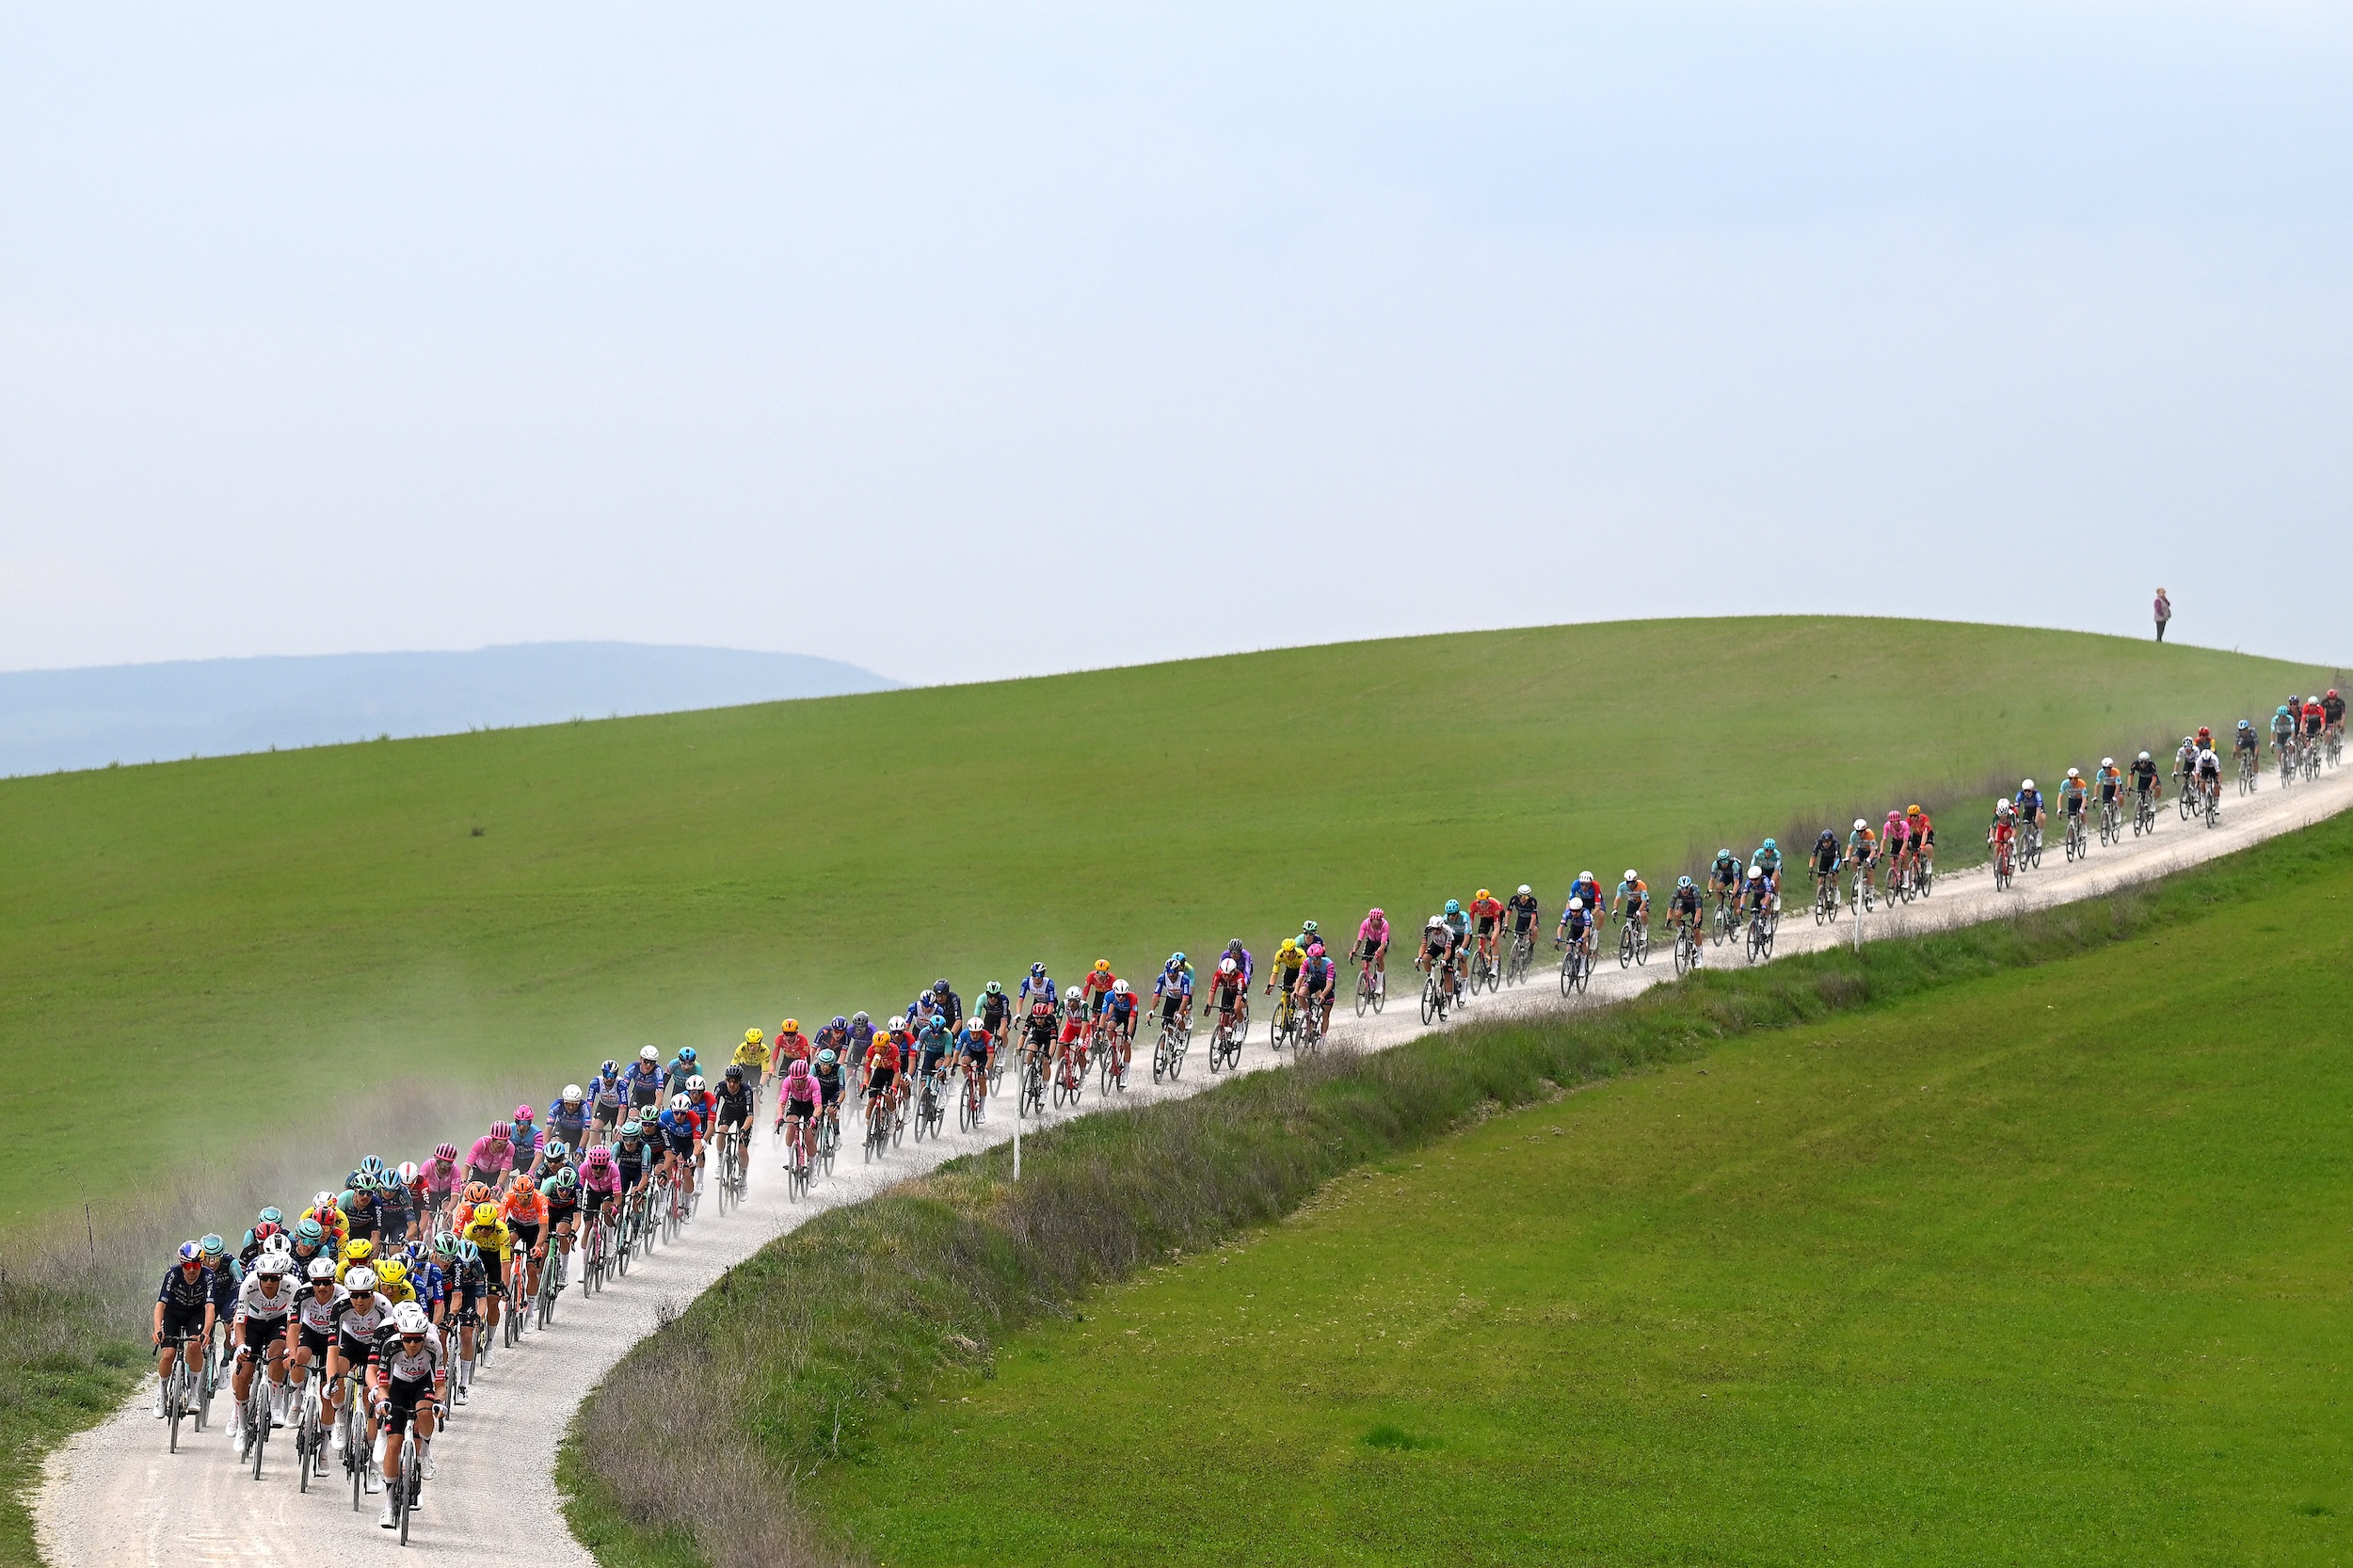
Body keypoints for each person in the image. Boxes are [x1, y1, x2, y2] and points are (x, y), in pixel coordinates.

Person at [370, 1301, 444, 1527]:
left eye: (417, 1339)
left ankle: (425, 1453)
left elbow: (440, 1382)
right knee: (394, 1443)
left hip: (422, 1384)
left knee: (424, 1411)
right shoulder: (390, 1347)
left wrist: (439, 1403)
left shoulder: (434, 1345)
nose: (412, 1344)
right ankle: (390, 1504)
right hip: (398, 1387)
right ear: (400, 1335)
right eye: (407, 1339)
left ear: (424, 1336)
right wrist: (382, 1400)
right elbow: (383, 1385)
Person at [152, 1241, 217, 1417]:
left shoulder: (208, 1276)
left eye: (195, 1265)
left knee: (195, 1346)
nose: (191, 1270)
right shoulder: (172, 1274)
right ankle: (162, 1394)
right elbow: (160, 1305)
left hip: (195, 1314)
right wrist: (158, 1329)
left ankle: (194, 1394)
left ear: (201, 1264)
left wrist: (206, 1331)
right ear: (181, 1264)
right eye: (187, 1265)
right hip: (173, 1313)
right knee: (168, 1354)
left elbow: (210, 1308)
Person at [776, 1057, 822, 1172]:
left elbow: (818, 1106)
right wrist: (780, 1116)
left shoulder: (813, 1082)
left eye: (801, 1080)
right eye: (795, 1080)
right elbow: (782, 1102)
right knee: (791, 1124)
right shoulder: (788, 1081)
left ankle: (813, 1169)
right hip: (796, 1102)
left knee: (809, 1137)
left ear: (806, 1076)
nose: (798, 1083)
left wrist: (814, 1118)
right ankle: (789, 1157)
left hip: (810, 1105)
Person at [1416, 915, 1457, 1014]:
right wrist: (1420, 957)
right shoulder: (1428, 929)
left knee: (1447, 974)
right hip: (1436, 945)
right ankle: (1431, 980)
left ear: (1442, 927)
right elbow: (1424, 945)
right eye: (1434, 929)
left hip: (1448, 946)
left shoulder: (1448, 931)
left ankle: (1447, 1005)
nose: (1435, 932)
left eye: (1438, 930)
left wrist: (1443, 960)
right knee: (1426, 959)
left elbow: (1447, 950)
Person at [1296, 943, 1337, 1036]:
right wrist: (1296, 990)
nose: (1312, 961)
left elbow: (1329, 984)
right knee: (1301, 993)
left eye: (1314, 959)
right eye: (1310, 958)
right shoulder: (1307, 962)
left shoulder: (1328, 964)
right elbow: (1300, 978)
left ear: (1320, 957)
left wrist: (1323, 995)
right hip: (1315, 981)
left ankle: (1322, 1037)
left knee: (1326, 1013)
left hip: (1326, 985)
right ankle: (1308, 1015)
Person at [1154, 952, 1195, 1035]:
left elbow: (1191, 989)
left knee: (1181, 1011)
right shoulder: (1168, 970)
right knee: (1165, 1021)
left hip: (1184, 993)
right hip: (1173, 995)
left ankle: (1186, 1021)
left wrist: (1185, 1008)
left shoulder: (1189, 970)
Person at [1666, 877, 1704, 962]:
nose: (1684, 890)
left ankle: (1699, 955)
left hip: (1696, 907)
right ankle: (1681, 935)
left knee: (1696, 930)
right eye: (1682, 888)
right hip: (1685, 905)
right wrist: (1668, 920)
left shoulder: (1695, 891)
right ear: (1679, 887)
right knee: (1676, 915)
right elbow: (1670, 908)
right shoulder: (1677, 892)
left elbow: (1698, 910)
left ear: (1690, 886)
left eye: (1686, 888)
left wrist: (1696, 922)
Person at [1466, 888, 1505, 968]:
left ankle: (1495, 966)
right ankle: (1485, 957)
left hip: (1497, 916)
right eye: (1479, 902)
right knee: (1481, 937)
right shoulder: (1473, 906)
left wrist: (1493, 938)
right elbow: (1470, 923)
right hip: (1485, 918)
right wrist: (1468, 935)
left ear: (1488, 900)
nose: (1482, 905)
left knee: (1494, 940)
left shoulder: (1494, 905)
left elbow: (1497, 926)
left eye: (1484, 902)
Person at [1354, 912, 1389, 998]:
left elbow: (1383, 944)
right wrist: (1354, 950)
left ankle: (1379, 985)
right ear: (1370, 921)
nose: (1376, 926)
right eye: (1374, 924)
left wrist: (1378, 952)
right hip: (1370, 942)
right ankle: (1369, 982)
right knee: (1364, 964)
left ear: (1381, 921)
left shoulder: (1385, 924)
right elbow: (1359, 940)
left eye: (1378, 924)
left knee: (1379, 958)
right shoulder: (1365, 923)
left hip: (1381, 943)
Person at [1557, 897, 1595, 967]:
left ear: (1581, 910)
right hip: (1574, 928)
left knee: (1583, 943)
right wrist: (1558, 937)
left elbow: (1587, 930)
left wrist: (1581, 939)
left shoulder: (1585, 913)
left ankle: (1582, 966)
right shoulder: (1567, 913)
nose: (1574, 913)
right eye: (1573, 911)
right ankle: (1569, 964)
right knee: (1568, 946)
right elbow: (1561, 927)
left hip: (1584, 929)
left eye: (1577, 911)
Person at [1611, 871, 1649, 940]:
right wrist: (1615, 909)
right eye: (1628, 883)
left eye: (1632, 883)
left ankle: (1644, 929)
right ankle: (1629, 943)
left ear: (1636, 881)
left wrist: (1639, 911)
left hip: (1641, 902)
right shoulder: (1621, 886)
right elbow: (1617, 899)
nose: (1630, 885)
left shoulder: (1642, 886)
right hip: (1632, 902)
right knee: (1629, 923)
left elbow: (1644, 901)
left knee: (1643, 914)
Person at [1809, 829, 1841, 905]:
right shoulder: (1818, 843)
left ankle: (1836, 891)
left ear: (1831, 841)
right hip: (1825, 859)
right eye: (1824, 842)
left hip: (1835, 859)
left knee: (1833, 875)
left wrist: (1833, 869)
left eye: (1828, 842)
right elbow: (1814, 856)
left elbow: (1837, 858)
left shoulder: (1836, 844)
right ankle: (1820, 899)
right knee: (1820, 879)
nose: (1826, 844)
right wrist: (1811, 868)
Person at [1505, 887, 1540, 953]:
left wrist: (1530, 929)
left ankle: (1531, 947)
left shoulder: (1532, 901)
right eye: (1522, 897)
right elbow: (1508, 913)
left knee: (1534, 930)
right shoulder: (1514, 899)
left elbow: (1533, 916)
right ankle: (1516, 954)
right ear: (1518, 896)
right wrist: (1506, 926)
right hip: (1521, 919)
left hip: (1531, 919)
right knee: (1518, 936)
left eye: (1526, 897)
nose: (1524, 900)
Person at [2058, 768, 2089, 839]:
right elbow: (2060, 797)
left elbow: (2084, 799)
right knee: (2071, 818)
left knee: (2083, 812)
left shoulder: (2082, 783)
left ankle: (2084, 826)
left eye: (2075, 779)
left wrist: (2081, 809)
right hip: (2072, 799)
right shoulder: (2064, 784)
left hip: (2081, 799)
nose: (2073, 781)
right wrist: (2059, 809)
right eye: (2070, 779)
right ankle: (2071, 838)